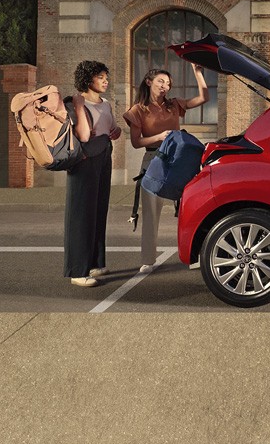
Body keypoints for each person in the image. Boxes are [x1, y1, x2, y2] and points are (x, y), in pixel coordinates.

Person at [123, 64, 209, 272]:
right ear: (149, 81)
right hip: (153, 161)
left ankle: (194, 255)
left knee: (191, 209)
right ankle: (148, 260)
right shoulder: (137, 110)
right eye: (161, 81)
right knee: (151, 213)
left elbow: (203, 98)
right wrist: (159, 137)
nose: (165, 86)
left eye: (168, 83)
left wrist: (198, 74)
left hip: (180, 160)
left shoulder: (174, 105)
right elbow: (136, 142)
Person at [64, 60, 122, 287]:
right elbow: (85, 136)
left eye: (106, 76)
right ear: (88, 79)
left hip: (104, 156)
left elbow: (112, 129)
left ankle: (95, 263)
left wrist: (114, 131)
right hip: (85, 160)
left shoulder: (105, 103)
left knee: (99, 209)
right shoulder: (75, 103)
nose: (106, 80)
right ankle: (78, 271)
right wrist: (79, 106)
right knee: (81, 215)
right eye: (101, 77)